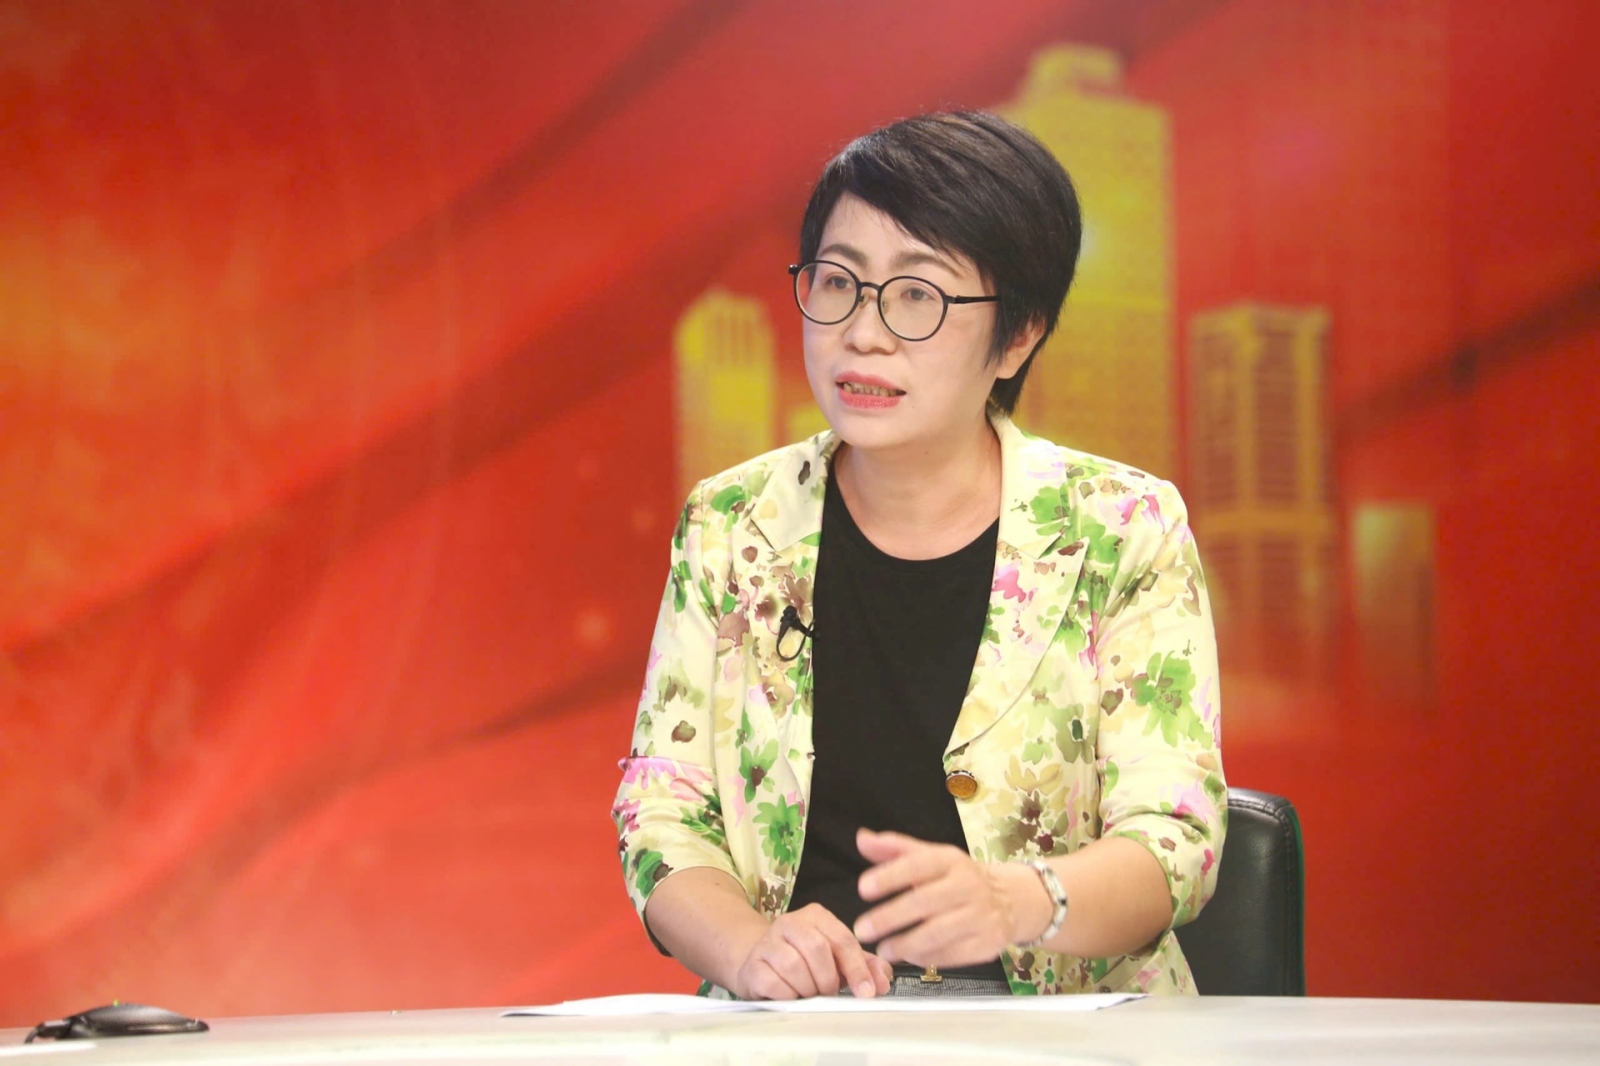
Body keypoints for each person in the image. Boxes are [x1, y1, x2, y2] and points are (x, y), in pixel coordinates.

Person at [612, 111, 1224, 999]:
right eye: (839, 282)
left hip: (1067, 1034)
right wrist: (750, 950)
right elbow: (661, 812)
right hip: (797, 1028)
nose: (864, 332)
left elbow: (1177, 839)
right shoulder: (731, 523)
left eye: (918, 295)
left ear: (1019, 335)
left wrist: (1016, 902)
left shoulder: (1123, 526)